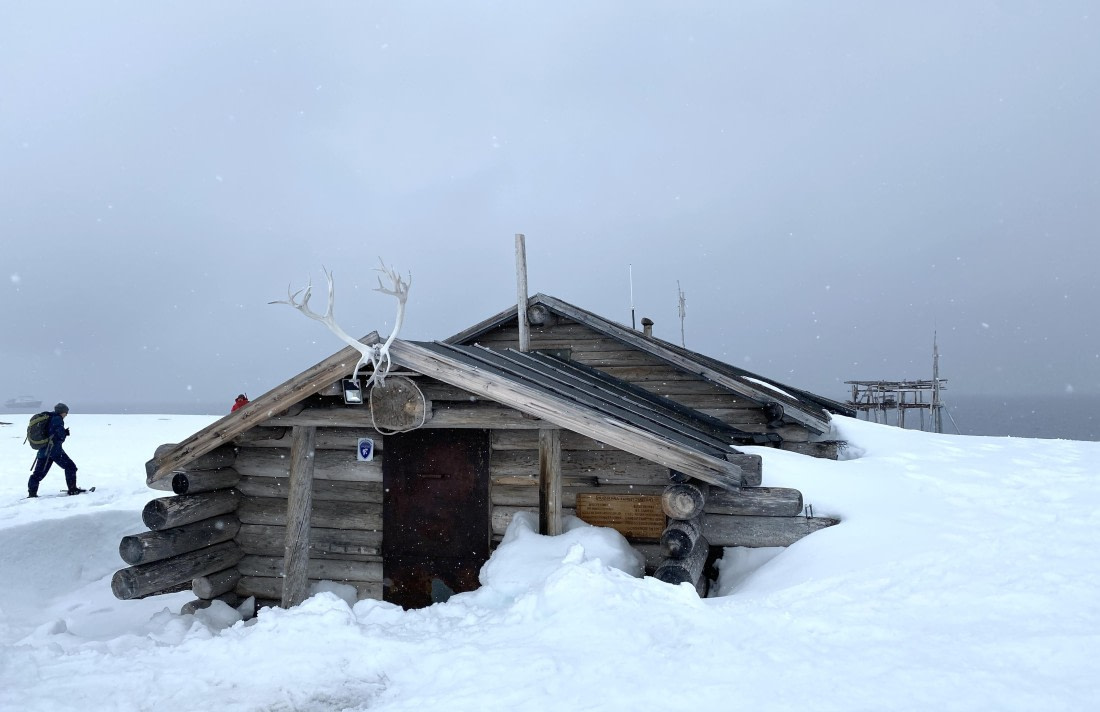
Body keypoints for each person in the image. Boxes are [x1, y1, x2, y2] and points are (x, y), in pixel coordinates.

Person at [27, 402, 85, 497]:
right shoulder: (57, 419)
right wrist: (65, 433)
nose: (66, 415)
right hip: (54, 451)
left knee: (38, 473)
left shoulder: (49, 417)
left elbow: (50, 432)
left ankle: (32, 493)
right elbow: (59, 436)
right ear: (62, 412)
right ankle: (72, 489)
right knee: (71, 467)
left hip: (43, 450)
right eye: (66, 412)